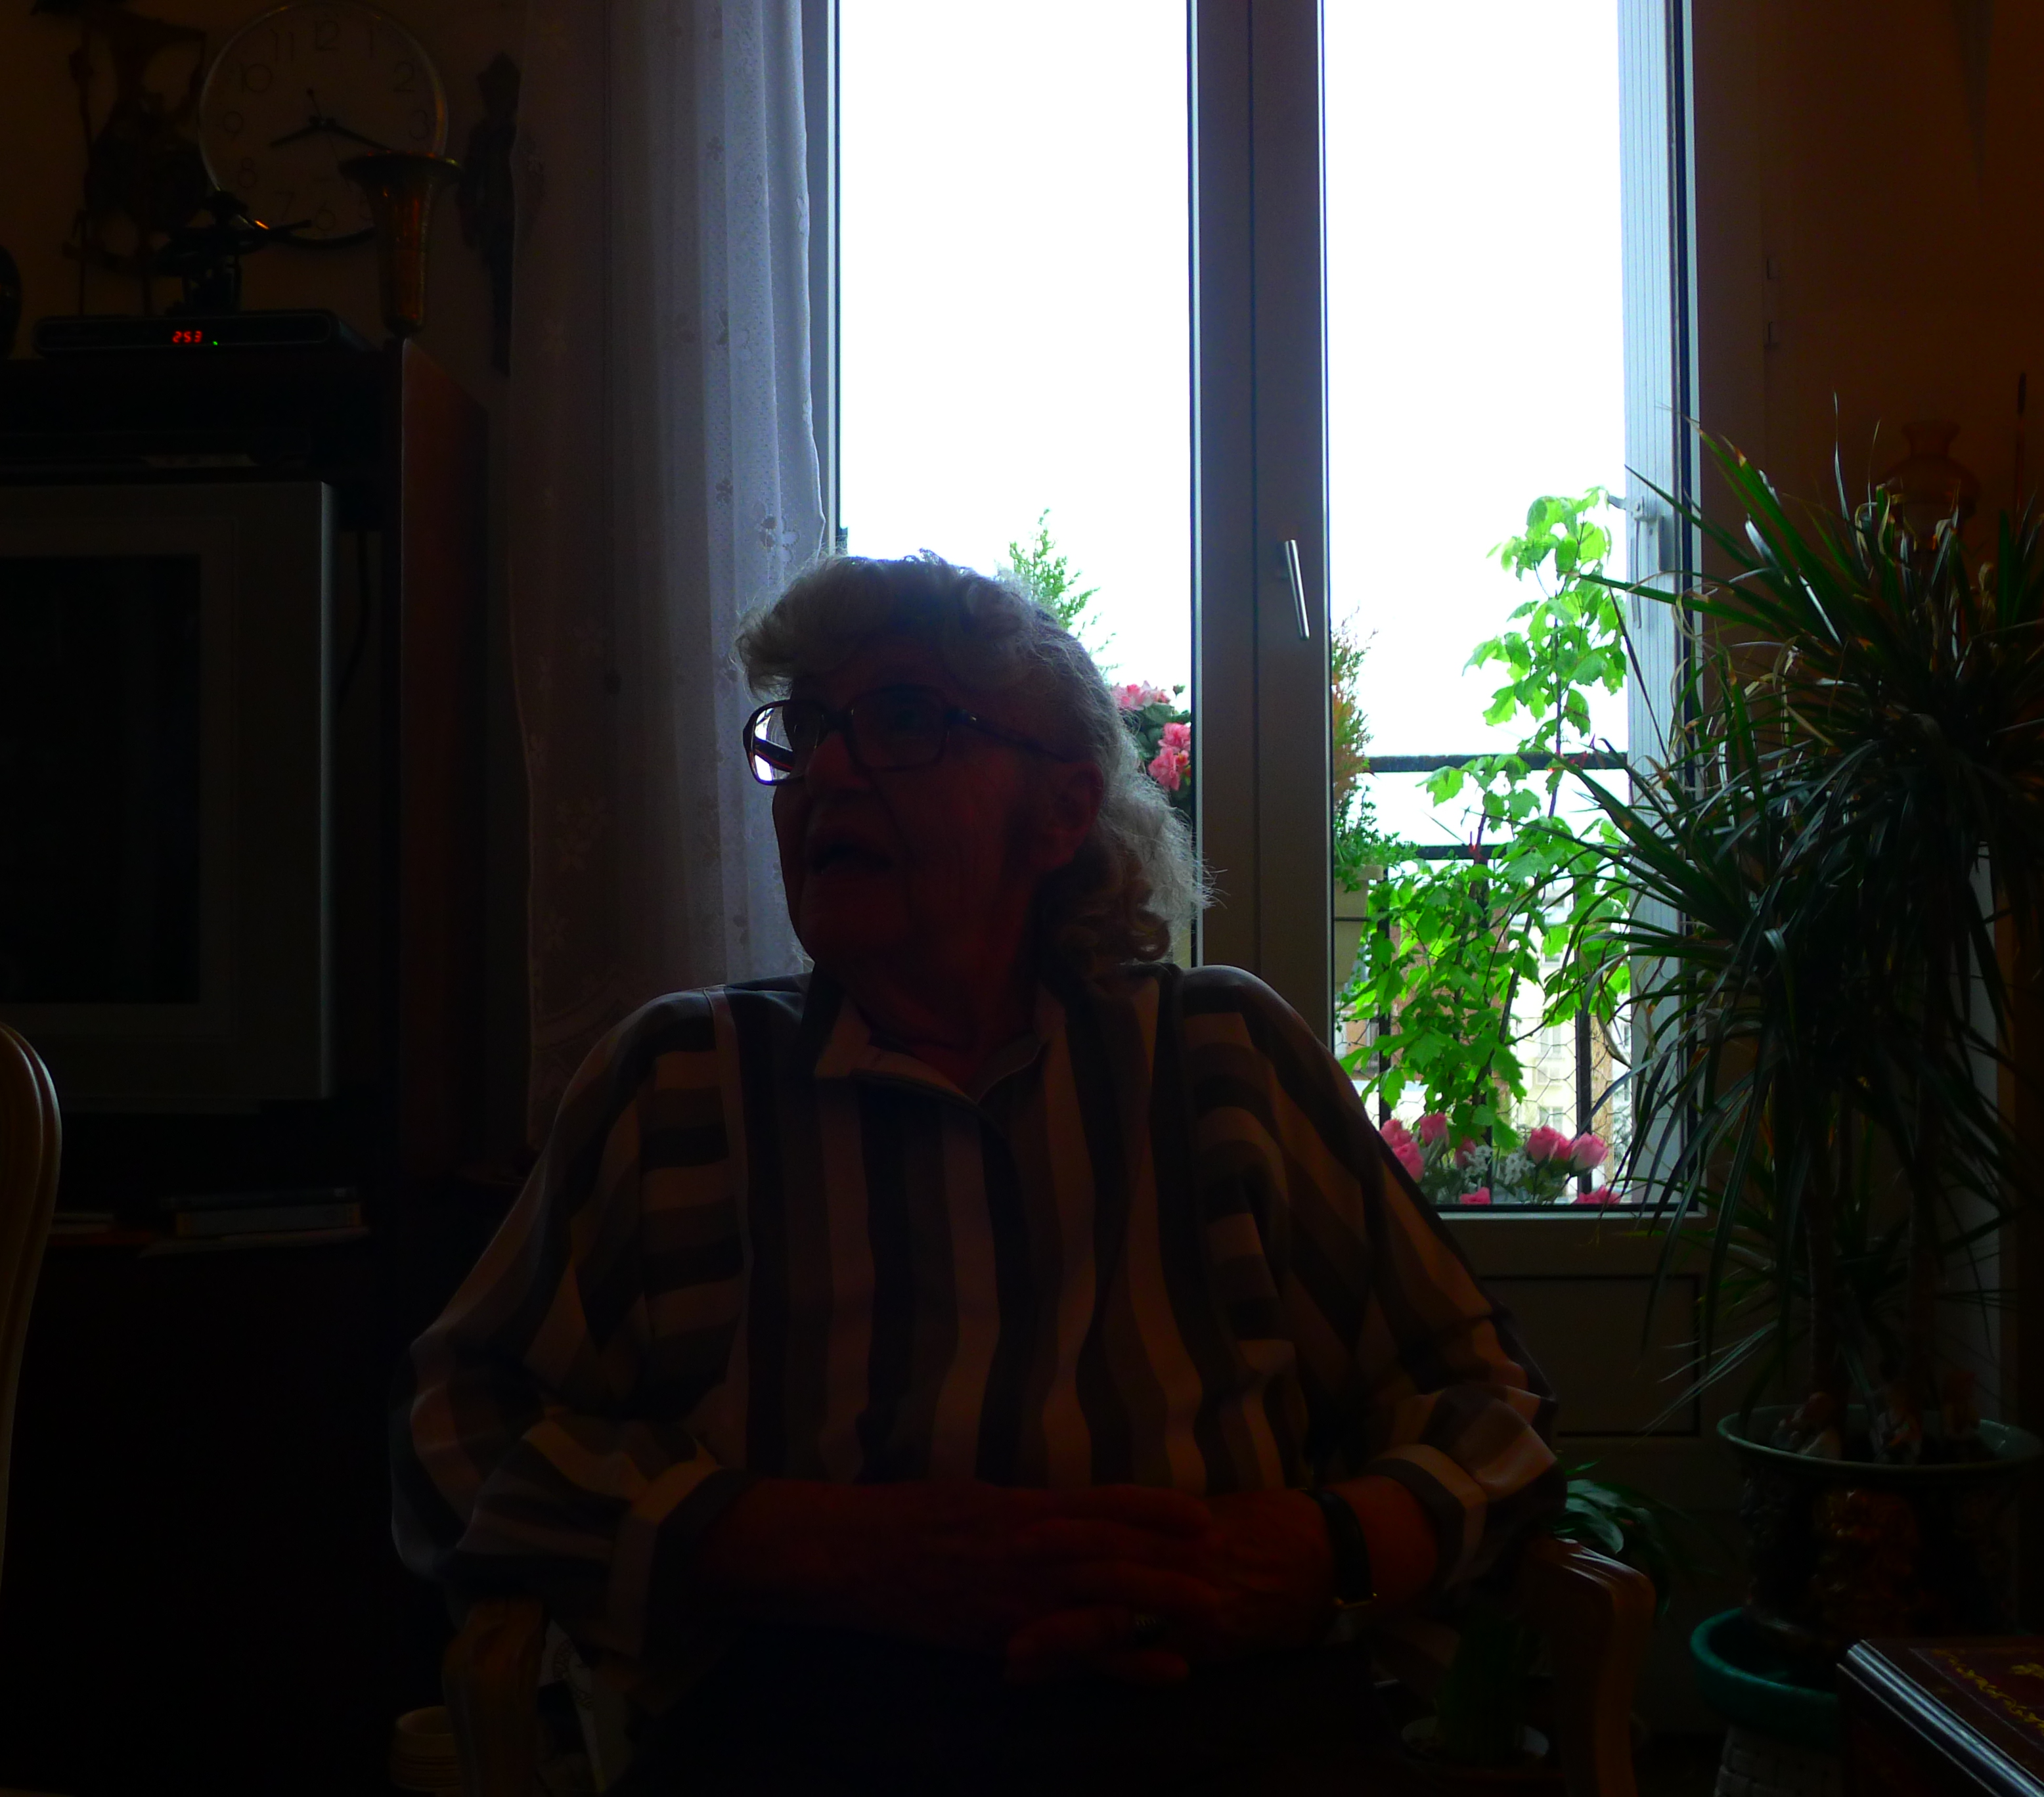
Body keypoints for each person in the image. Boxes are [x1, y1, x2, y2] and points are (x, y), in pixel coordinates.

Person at [393, 553, 1563, 1795]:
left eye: (903, 721)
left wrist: (1315, 1551)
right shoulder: (686, 1081)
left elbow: (1486, 1405)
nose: (827, 773)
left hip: (1230, 1718)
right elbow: (454, 1436)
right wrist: (806, 1546)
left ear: (1059, 814)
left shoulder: (1219, 1057)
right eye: (807, 729)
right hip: (813, 1732)